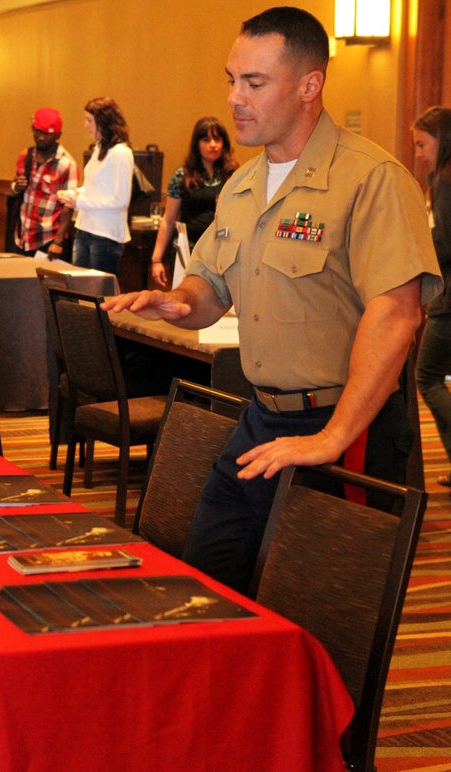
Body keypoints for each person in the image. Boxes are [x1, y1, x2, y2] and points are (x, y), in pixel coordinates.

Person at [104, 6, 441, 594]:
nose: (235, 97)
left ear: (310, 85)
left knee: (321, 613)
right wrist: (179, 302)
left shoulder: (371, 180)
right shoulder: (242, 185)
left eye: (254, 83)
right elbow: (209, 288)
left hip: (347, 428)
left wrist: (333, 437)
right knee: (208, 583)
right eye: (232, 80)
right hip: (261, 418)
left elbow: (397, 314)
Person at [150, 117, 239, 287]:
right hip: (188, 250)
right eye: (206, 139)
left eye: (217, 139)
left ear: (224, 143)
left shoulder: (234, 175)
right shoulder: (182, 176)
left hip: (221, 250)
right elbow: (168, 220)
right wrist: (156, 260)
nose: (213, 144)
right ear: (197, 145)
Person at [412, 107, 451, 487]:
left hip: (448, 301)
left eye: (424, 144)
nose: (419, 153)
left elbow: (443, 243)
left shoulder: (445, 181)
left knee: (426, 377)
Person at [57, 98, 133, 278]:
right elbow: (95, 188)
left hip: (105, 234)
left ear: (104, 121)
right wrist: (74, 194)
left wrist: (80, 201)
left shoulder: (120, 154)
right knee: (78, 287)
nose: (86, 126)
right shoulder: (99, 149)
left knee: (99, 293)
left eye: (90, 120)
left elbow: (120, 201)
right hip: (85, 227)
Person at [10, 107, 78, 259]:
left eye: (46, 134)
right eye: (37, 131)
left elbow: (69, 206)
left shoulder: (67, 164)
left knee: (48, 284)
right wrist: (16, 186)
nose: (40, 137)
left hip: (48, 240)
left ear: (57, 136)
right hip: (21, 238)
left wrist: (58, 242)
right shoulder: (25, 156)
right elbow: (14, 185)